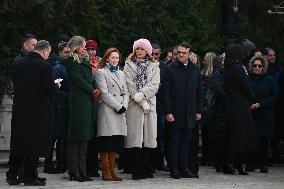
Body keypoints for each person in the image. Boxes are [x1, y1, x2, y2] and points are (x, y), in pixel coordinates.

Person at [6, 40, 57, 186]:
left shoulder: (17, 63)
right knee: (34, 144)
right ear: (45, 51)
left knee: (18, 143)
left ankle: (12, 174)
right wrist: (56, 87)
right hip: (38, 112)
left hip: (20, 110)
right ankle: (29, 176)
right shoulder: (45, 67)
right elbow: (49, 90)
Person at [163, 42, 202, 179]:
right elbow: (166, 93)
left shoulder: (195, 69)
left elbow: (199, 92)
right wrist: (168, 112)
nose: (180, 54)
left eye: (184, 52)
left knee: (186, 142)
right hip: (175, 113)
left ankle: (184, 168)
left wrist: (198, 111)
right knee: (174, 142)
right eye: (179, 52)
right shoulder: (169, 69)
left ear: (189, 53)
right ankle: (174, 169)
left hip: (190, 113)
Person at [124, 38, 160, 180]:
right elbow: (128, 84)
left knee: (148, 139)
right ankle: (135, 170)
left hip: (149, 105)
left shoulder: (154, 65)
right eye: (137, 49)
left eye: (142, 49)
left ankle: (145, 167)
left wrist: (142, 95)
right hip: (134, 105)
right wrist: (138, 98)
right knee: (135, 139)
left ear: (148, 52)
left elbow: (155, 84)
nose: (139, 51)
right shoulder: (128, 65)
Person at [66, 36, 101, 182]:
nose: (84, 48)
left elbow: (89, 79)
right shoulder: (72, 60)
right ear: (75, 46)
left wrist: (95, 88)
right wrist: (91, 90)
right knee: (77, 137)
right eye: (82, 46)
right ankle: (74, 171)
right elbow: (77, 79)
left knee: (85, 137)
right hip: (79, 101)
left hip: (87, 101)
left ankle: (82, 170)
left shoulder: (85, 59)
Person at [223, 44, 260, 175]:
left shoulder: (226, 70)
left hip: (230, 106)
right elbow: (246, 86)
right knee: (241, 137)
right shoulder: (238, 69)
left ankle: (230, 165)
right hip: (241, 106)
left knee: (233, 136)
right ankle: (238, 165)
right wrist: (252, 97)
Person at [95, 48, 129, 181]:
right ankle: (105, 171)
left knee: (115, 143)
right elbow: (104, 93)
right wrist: (117, 106)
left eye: (117, 58)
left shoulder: (121, 73)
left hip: (120, 111)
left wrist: (124, 106)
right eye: (112, 57)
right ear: (107, 58)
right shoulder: (101, 72)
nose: (115, 60)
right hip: (108, 111)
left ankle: (112, 170)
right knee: (106, 143)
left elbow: (126, 91)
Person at [248, 56, 278, 173]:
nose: (257, 68)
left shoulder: (270, 80)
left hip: (265, 114)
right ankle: (251, 163)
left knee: (264, 141)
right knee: (251, 140)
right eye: (254, 65)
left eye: (259, 66)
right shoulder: (247, 79)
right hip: (251, 114)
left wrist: (260, 104)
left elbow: (275, 97)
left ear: (263, 67)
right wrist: (250, 104)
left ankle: (263, 164)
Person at [47, 42, 71, 174]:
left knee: (63, 137)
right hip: (59, 107)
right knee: (54, 136)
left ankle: (62, 164)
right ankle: (48, 163)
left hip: (66, 107)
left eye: (69, 52)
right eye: (66, 52)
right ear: (60, 52)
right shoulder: (58, 68)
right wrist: (70, 95)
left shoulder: (68, 67)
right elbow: (56, 90)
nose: (68, 55)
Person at [263, 47, 282, 164]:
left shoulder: (279, 69)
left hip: (277, 105)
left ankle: (275, 155)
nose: (273, 57)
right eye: (270, 55)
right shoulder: (261, 68)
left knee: (276, 131)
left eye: (274, 55)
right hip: (265, 104)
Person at [85, 39, 100, 178]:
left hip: (98, 104)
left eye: (93, 49)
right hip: (86, 103)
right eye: (88, 49)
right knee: (86, 138)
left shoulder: (100, 63)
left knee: (95, 138)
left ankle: (94, 167)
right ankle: (85, 167)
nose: (91, 52)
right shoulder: (81, 62)